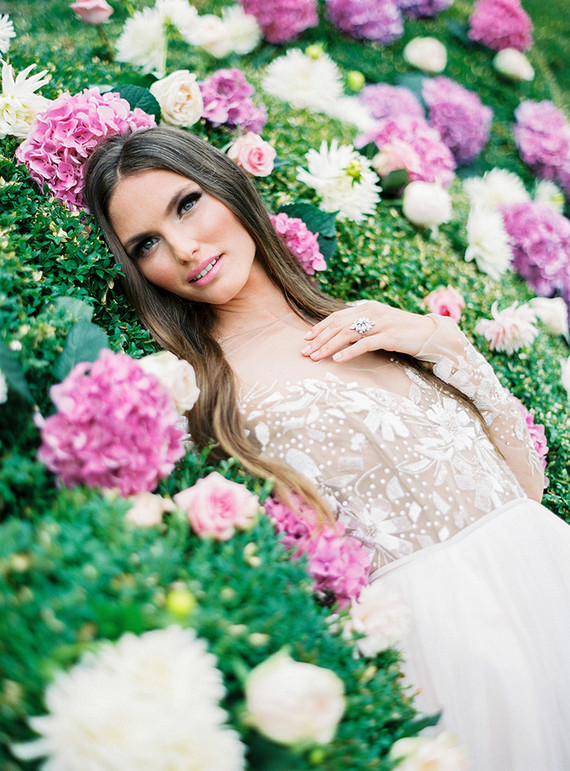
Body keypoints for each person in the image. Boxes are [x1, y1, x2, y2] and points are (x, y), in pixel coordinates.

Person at [85, 126, 570, 770]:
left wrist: (449, 348)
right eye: (145, 243)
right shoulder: (206, 396)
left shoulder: (369, 320)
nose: (182, 247)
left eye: (186, 203)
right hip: (442, 648)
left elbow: (523, 491)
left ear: (228, 188)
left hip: (544, 576)